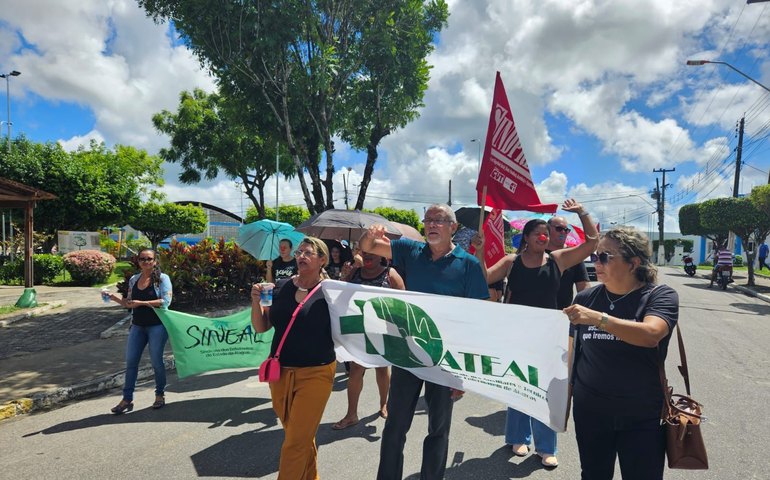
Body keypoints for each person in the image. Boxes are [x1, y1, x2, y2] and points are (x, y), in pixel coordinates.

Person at [359, 203, 489, 480]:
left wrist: (462, 373)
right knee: (395, 426)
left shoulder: (469, 265)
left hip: (445, 359)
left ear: (453, 228)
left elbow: (478, 316)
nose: (431, 224)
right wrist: (371, 233)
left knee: (438, 430)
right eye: (428, 219)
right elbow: (369, 246)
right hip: (408, 353)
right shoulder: (410, 250)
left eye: (439, 220)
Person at [479, 199, 598, 468]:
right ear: (527, 237)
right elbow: (483, 277)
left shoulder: (558, 259)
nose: (545, 236)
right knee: (518, 384)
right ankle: (517, 437)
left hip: (549, 334)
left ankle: (546, 447)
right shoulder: (512, 261)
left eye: (547, 233)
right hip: (517, 332)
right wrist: (481, 250)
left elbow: (592, 243)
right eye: (539, 233)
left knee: (547, 389)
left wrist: (582, 213)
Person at [563, 227, 679, 480]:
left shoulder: (659, 296)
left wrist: (599, 319)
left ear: (633, 263)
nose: (596, 262)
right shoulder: (585, 297)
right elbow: (572, 356)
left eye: (605, 256)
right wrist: (562, 404)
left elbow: (650, 334)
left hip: (641, 415)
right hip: (591, 411)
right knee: (593, 475)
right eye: (595, 256)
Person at [250, 237, 335, 480]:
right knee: (299, 436)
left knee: (295, 442)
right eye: (299, 252)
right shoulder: (280, 286)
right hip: (280, 373)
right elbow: (262, 327)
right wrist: (256, 303)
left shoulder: (331, 292)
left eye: (308, 252)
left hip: (317, 372)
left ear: (322, 260)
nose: (301, 256)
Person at [332, 252, 405, 430]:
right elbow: (340, 296)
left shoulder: (391, 274)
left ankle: (384, 404)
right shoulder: (354, 273)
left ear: (381, 255)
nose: (367, 256)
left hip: (383, 330)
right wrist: (346, 274)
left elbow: (404, 301)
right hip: (359, 330)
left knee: (382, 367)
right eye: (363, 252)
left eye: (371, 252)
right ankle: (351, 414)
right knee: (356, 368)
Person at [106, 248, 173, 414]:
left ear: (155, 261)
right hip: (137, 326)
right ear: (138, 261)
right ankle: (127, 399)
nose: (145, 261)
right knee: (131, 362)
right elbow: (129, 303)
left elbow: (166, 301)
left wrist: (141, 303)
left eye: (149, 259)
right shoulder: (134, 279)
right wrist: (113, 298)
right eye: (142, 259)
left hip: (157, 325)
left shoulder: (162, 279)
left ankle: (160, 394)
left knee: (157, 361)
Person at [546, 216, 591, 309]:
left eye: (566, 230)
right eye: (559, 229)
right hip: (535, 311)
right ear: (547, 229)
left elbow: (584, 287)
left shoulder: (573, 255)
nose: (563, 232)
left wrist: (584, 310)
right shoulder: (537, 253)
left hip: (562, 314)